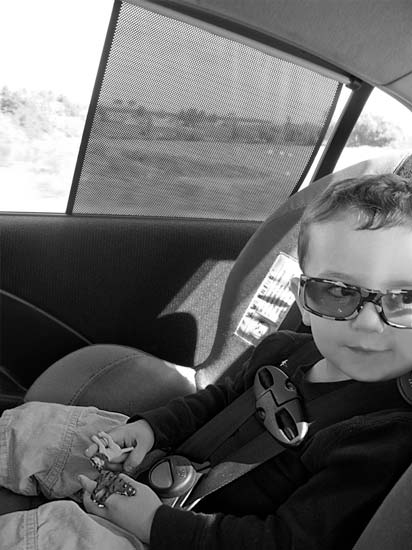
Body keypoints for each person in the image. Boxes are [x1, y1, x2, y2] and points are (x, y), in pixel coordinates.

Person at [2, 173, 412, 550]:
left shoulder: (384, 437)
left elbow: (285, 543)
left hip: (192, 537)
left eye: (406, 297)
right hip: (164, 467)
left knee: (49, 536)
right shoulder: (283, 350)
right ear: (302, 299)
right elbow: (216, 401)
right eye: (337, 292)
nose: (368, 323)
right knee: (35, 428)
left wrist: (153, 522)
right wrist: (151, 429)